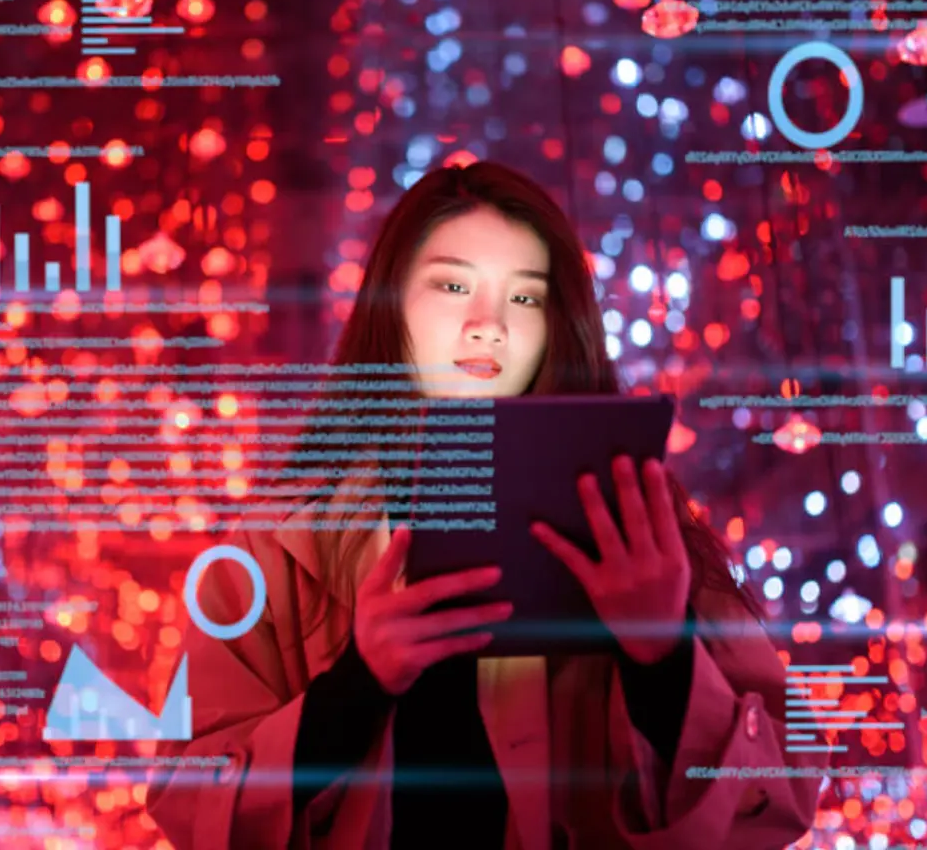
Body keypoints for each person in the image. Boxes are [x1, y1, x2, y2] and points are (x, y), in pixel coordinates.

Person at [145, 161, 829, 849]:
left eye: (525, 298)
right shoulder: (279, 547)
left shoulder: (642, 531)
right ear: (391, 306)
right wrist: (357, 685)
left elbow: (785, 800)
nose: (488, 325)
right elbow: (186, 802)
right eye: (451, 285)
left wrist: (665, 656)